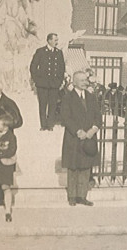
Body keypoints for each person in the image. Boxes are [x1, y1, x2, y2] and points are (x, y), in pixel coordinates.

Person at [60, 70, 101, 207]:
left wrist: (92, 131)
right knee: (73, 167)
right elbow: (65, 117)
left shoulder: (91, 97)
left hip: (89, 138)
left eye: (86, 80)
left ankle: (82, 196)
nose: (86, 82)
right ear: (75, 82)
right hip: (73, 138)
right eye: (82, 80)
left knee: (85, 167)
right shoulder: (67, 98)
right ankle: (72, 196)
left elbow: (98, 117)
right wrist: (78, 131)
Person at [30, 32, 65, 131]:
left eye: (57, 40)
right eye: (55, 40)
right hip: (42, 84)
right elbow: (33, 67)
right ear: (49, 40)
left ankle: (50, 125)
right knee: (42, 105)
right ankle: (43, 125)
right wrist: (37, 80)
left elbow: (61, 68)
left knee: (52, 105)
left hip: (54, 84)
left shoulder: (59, 53)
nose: (57, 42)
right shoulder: (40, 51)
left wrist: (59, 81)